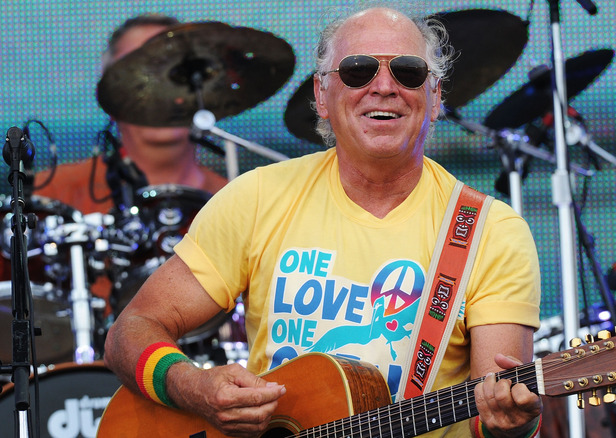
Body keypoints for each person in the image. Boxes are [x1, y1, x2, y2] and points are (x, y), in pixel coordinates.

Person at [104, 6, 542, 438]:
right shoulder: (257, 197)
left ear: (435, 95)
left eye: (409, 71)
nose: (384, 86)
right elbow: (130, 330)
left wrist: (512, 426)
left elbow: (498, 413)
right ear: (321, 95)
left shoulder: (491, 231)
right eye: (357, 70)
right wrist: (194, 387)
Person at [34, 13, 227, 214]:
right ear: (109, 97)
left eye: (176, 73)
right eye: (137, 73)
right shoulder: (47, 195)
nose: (159, 89)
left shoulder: (240, 207)